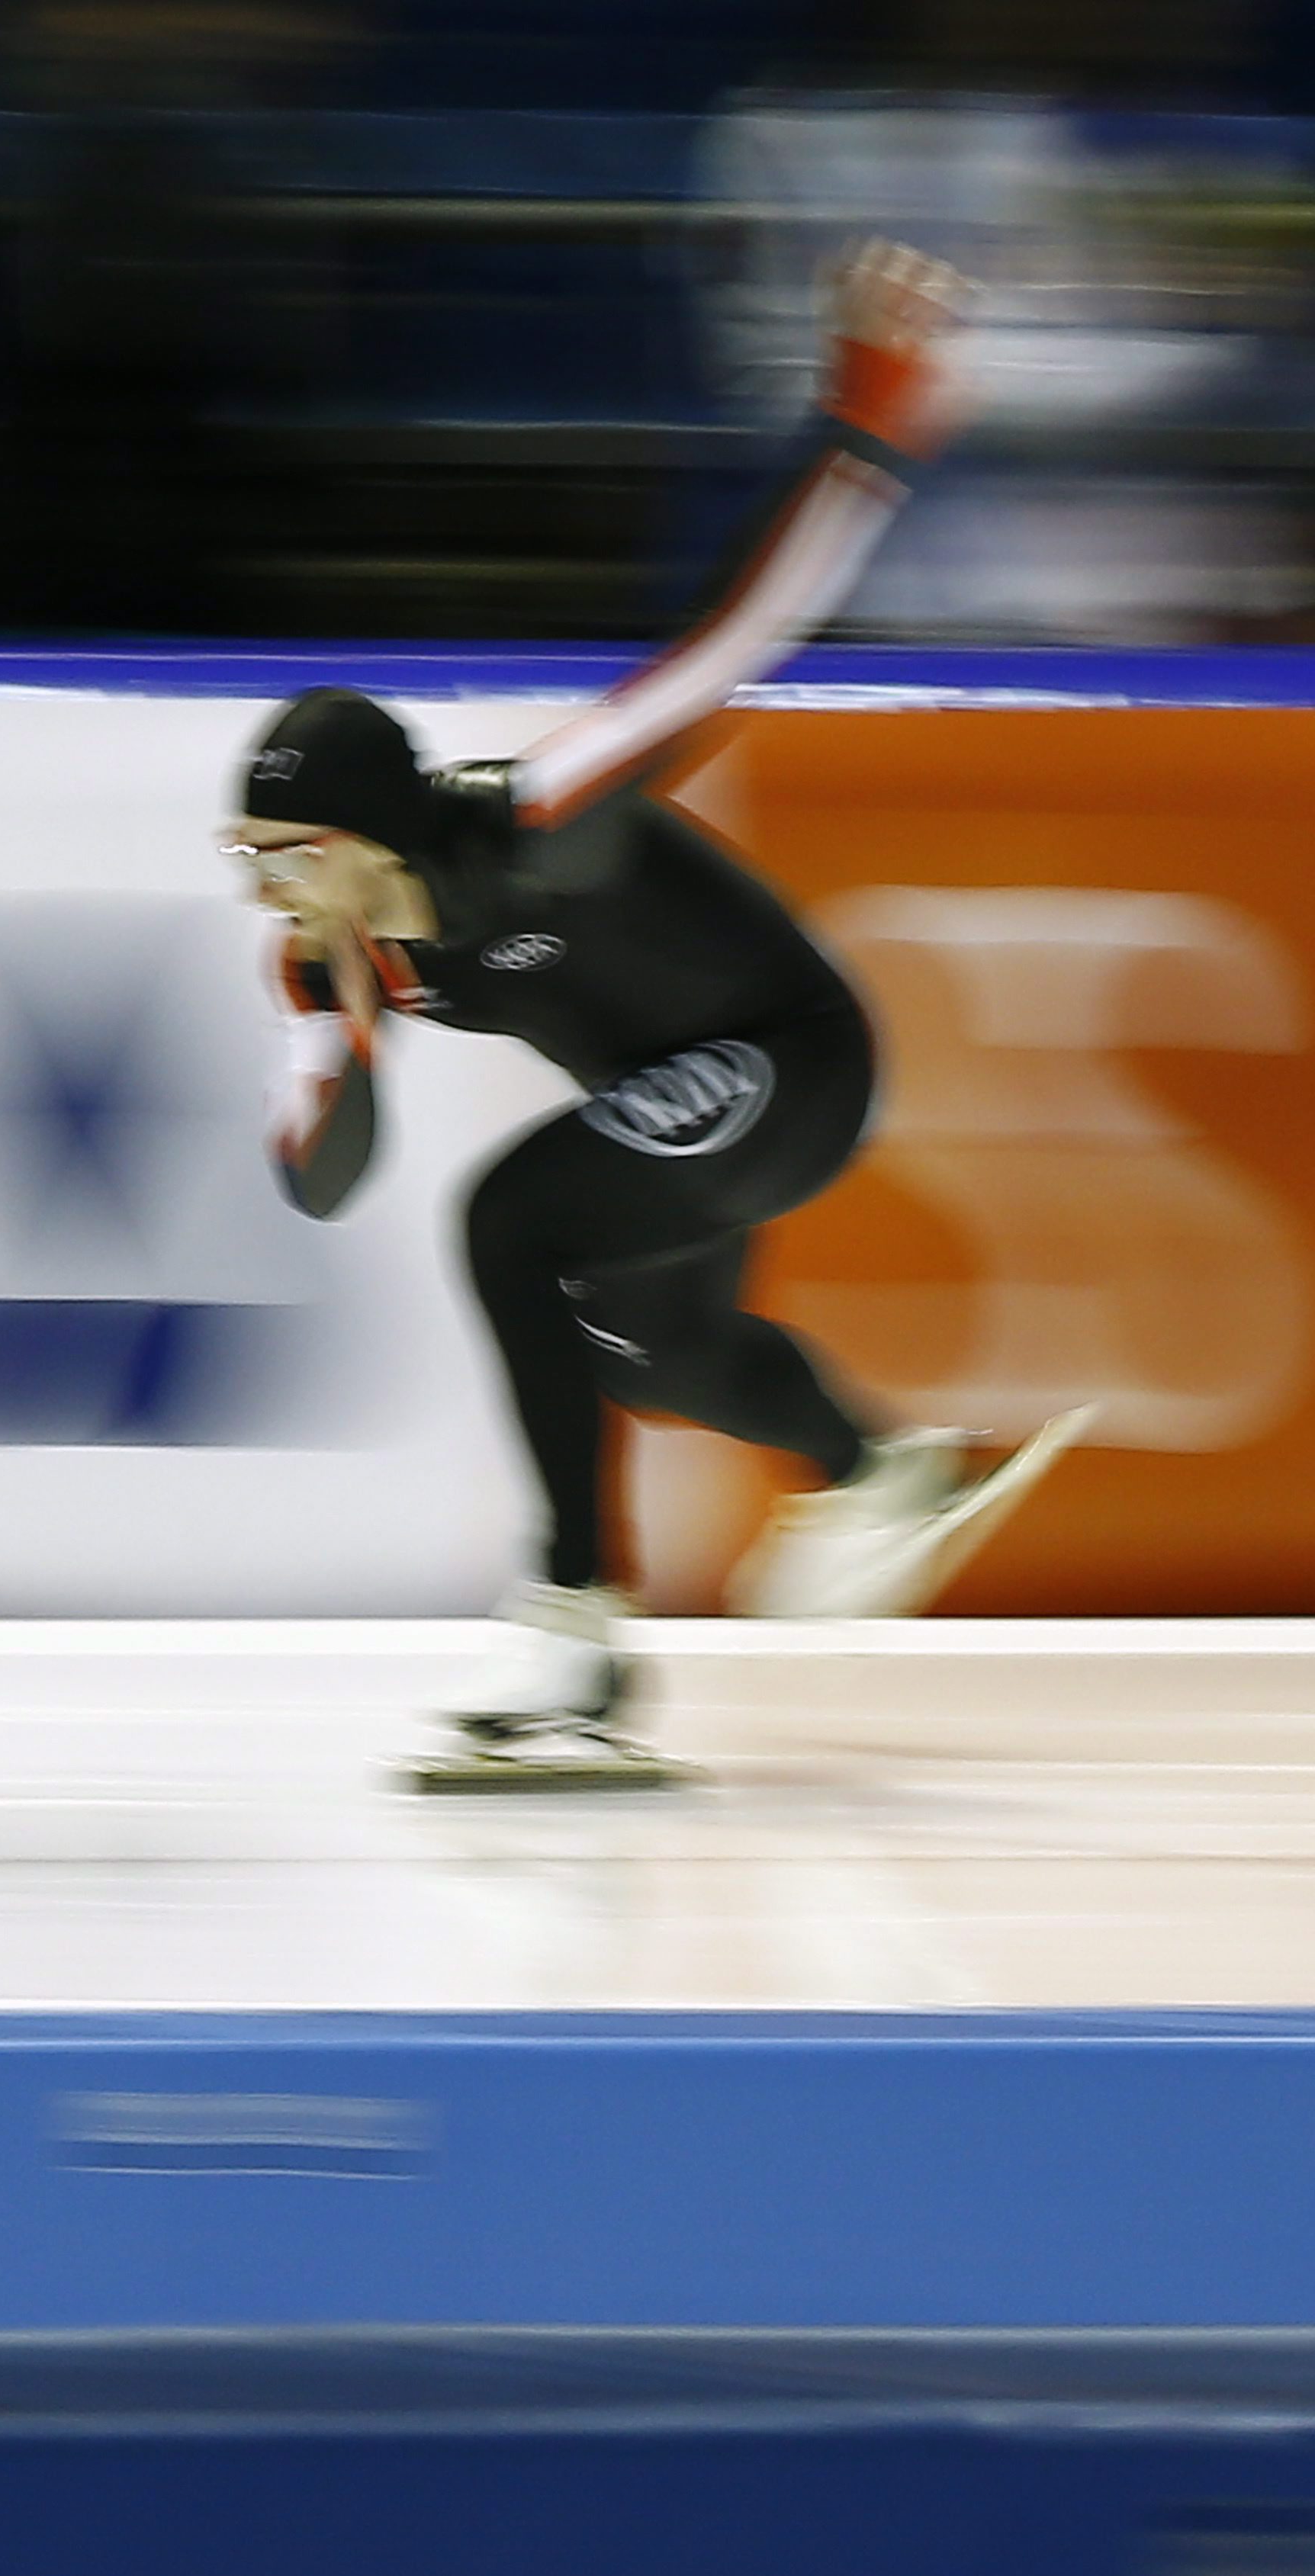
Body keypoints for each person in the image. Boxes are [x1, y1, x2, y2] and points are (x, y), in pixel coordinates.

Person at [229, 240, 1049, 1749]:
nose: (259, 889)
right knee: (653, 1355)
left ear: (362, 838)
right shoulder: (314, 954)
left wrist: (864, 426)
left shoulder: (536, 820)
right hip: (670, 1105)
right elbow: (319, 1183)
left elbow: (725, 647)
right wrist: (343, 1037)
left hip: (795, 1061)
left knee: (512, 1221)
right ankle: (879, 1472)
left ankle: (572, 1638)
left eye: (280, 855)